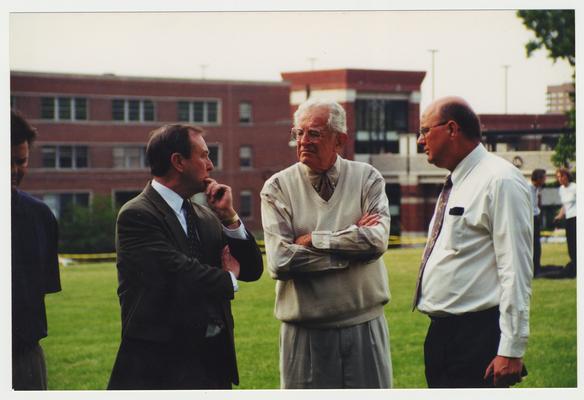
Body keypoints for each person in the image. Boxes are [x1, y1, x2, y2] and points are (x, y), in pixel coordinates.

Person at [107, 124, 263, 390]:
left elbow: (251, 269)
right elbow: (178, 273)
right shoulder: (137, 215)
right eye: (204, 155)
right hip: (159, 370)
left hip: (211, 366)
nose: (210, 165)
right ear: (178, 162)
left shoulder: (206, 216)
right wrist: (229, 278)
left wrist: (230, 218)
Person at [260, 99, 392, 389]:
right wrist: (349, 248)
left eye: (314, 133)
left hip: (365, 327)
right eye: (299, 133)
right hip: (304, 333)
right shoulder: (277, 188)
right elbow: (281, 261)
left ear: (340, 139)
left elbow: (377, 240)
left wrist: (316, 240)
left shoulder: (368, 178)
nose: (303, 141)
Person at [413, 97, 532, 388]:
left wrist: (511, 349)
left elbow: (515, 268)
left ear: (451, 129)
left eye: (425, 130)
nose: (420, 140)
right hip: (442, 335)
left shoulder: (499, 180)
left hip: (476, 337)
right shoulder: (459, 181)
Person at [11, 110, 62, 390]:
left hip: (24, 358)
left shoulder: (40, 216)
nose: (14, 170)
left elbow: (39, 289)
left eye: (21, 161)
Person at [554, 167, 576, 277]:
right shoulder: (561, 189)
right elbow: (565, 205)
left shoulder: (575, 187)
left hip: (576, 219)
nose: (560, 179)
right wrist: (559, 216)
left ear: (567, 176)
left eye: (561, 176)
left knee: (577, 244)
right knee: (570, 245)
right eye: (558, 177)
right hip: (568, 220)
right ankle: (574, 265)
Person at [529, 169, 546, 277]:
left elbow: (537, 206)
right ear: (538, 178)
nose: (545, 180)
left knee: (537, 245)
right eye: (544, 178)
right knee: (533, 245)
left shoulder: (536, 189)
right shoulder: (527, 188)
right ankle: (534, 270)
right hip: (530, 219)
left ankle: (537, 267)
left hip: (535, 217)